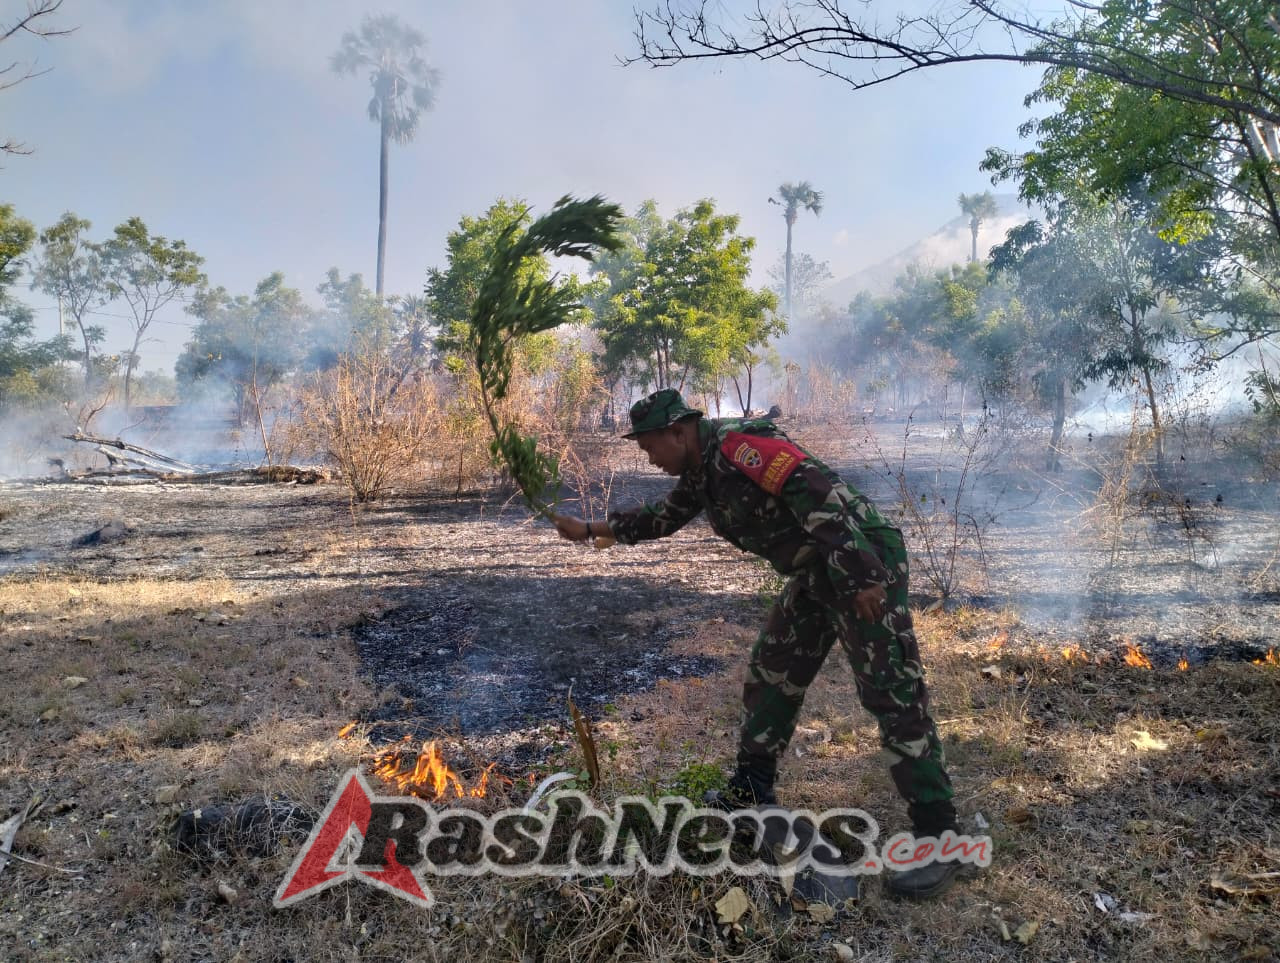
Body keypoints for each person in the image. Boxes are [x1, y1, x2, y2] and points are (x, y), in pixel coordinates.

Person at [553, 388, 969, 899]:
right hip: (817, 575)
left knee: (892, 693)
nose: (650, 458)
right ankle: (751, 790)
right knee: (771, 670)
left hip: (860, 564)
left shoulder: (739, 448)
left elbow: (819, 494)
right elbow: (662, 518)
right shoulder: (701, 472)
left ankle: (942, 835)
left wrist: (863, 578)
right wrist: (591, 529)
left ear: (678, 432)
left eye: (651, 447)